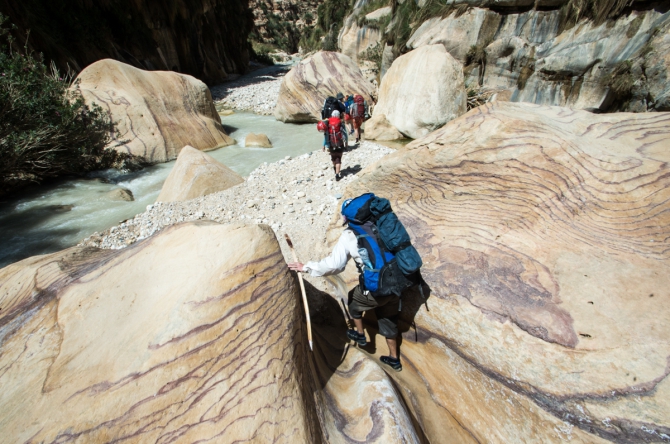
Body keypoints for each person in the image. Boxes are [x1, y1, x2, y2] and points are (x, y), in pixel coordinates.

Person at [287, 199, 404, 372]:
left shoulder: (349, 235)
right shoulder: (381, 224)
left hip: (375, 289)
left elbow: (335, 265)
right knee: (389, 320)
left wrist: (307, 267)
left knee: (353, 300)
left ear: (347, 216)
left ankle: (360, 334)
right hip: (397, 285)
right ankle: (395, 359)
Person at [325, 110, 345, 181]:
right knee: (338, 159)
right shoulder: (340, 122)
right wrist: (346, 142)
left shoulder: (328, 122)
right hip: (339, 143)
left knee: (333, 158)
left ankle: (335, 166)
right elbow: (344, 133)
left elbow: (326, 135)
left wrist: (324, 145)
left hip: (331, 144)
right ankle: (337, 174)